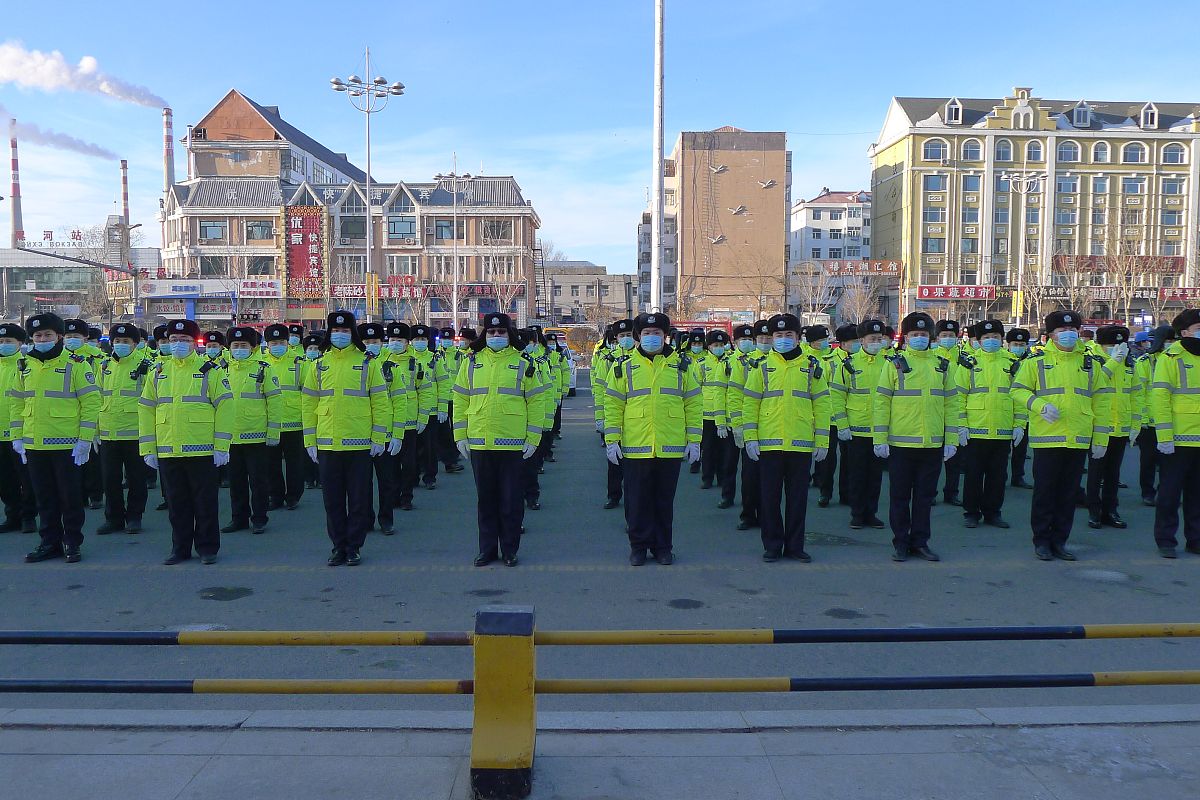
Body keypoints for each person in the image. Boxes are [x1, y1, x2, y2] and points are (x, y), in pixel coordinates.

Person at [1011, 310, 1113, 561]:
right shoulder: (1035, 362)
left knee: (1068, 495)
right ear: (1050, 336)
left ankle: (1060, 541)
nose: (1068, 335)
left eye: (1072, 330)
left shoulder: (1089, 364)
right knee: (1045, 493)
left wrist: (1101, 439)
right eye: (1062, 331)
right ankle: (1042, 541)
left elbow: (1102, 403)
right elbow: (1017, 391)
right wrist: (1039, 405)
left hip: (1078, 437)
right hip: (1048, 438)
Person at [604, 313, 702, 566]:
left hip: (669, 446)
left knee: (663, 501)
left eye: (657, 333)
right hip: (636, 445)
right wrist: (612, 439)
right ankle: (638, 546)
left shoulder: (681, 365)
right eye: (646, 333)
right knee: (636, 501)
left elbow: (693, 403)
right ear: (638, 336)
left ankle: (662, 547)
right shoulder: (623, 367)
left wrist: (695, 439)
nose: (651, 338)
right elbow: (613, 404)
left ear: (665, 335)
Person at [453, 313, 546, 567]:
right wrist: (460, 434)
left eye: (501, 333)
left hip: (513, 443)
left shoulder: (523, 362)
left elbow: (537, 401)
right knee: (486, 500)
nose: (496, 337)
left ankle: (509, 549)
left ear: (510, 335)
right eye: (492, 333)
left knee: (511, 501)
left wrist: (534, 437)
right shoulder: (471, 362)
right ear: (485, 334)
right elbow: (460, 399)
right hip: (480, 442)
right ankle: (487, 550)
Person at [139, 319, 234, 565]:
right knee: (176, 505)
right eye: (173, 340)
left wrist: (222, 446)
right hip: (169, 449)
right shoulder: (158, 372)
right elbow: (146, 409)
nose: (178, 344)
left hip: (202, 449)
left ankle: (207, 548)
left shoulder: (209, 370)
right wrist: (148, 448)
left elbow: (225, 407)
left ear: (195, 343)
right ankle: (179, 548)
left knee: (205, 503)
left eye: (184, 340)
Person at [302, 311, 391, 566]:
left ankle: (354, 546)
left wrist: (379, 436)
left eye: (345, 331)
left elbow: (380, 403)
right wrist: (310, 440)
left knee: (359, 500)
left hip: (359, 441)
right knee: (332, 501)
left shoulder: (367, 362)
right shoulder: (319, 364)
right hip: (328, 442)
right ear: (329, 334)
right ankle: (338, 546)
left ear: (353, 333)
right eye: (336, 331)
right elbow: (308, 404)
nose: (340, 335)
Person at [9, 313, 100, 564]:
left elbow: (91, 402)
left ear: (58, 336)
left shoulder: (76, 363)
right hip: (34, 443)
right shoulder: (24, 365)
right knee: (44, 497)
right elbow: (16, 403)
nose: (42, 339)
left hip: (67, 444)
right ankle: (49, 541)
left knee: (69, 497)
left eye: (47, 335)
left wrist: (85, 440)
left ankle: (71, 541)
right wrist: (18, 437)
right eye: (37, 335)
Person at [741, 313, 831, 562]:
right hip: (768, 444)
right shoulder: (761, 367)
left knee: (798, 500)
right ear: (771, 338)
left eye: (788, 335)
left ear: (798, 337)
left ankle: (795, 546)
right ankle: (772, 545)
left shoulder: (811, 366)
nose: (783, 339)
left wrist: (822, 440)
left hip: (800, 444)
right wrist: (750, 437)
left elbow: (822, 404)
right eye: (778, 336)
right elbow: (750, 404)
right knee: (769, 499)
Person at [873, 312, 960, 562]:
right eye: (914, 334)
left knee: (924, 498)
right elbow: (881, 402)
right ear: (906, 337)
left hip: (931, 443)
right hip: (900, 443)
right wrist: (879, 438)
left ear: (930, 337)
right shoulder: (894, 364)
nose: (919, 338)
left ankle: (920, 542)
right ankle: (901, 542)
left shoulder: (942, 365)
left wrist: (951, 440)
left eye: (923, 334)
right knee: (899, 498)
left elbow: (952, 404)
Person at [955, 319, 1021, 529]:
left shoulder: (1012, 363)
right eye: (986, 338)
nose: (991, 341)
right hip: (975, 430)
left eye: (995, 337)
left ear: (1002, 339)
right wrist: (961, 424)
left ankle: (993, 513)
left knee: (998, 476)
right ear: (979, 340)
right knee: (973, 475)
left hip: (1002, 429)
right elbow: (958, 396)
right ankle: (971, 513)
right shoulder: (969, 363)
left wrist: (1020, 423)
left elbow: (1020, 395)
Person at [220, 327, 282, 536]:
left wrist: (273, 433)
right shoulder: (221, 369)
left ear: (253, 347)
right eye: (235, 346)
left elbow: (274, 402)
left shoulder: (264, 369)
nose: (238, 349)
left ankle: (259, 518)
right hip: (230, 438)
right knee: (236, 482)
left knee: (258, 482)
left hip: (256, 436)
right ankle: (239, 518)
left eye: (243, 346)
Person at [1151, 308, 1200, 558]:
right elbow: (1159, 398)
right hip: (1178, 440)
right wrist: (1164, 436)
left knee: (1197, 495)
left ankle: (1195, 539)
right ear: (1184, 333)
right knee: (1170, 493)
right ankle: (1166, 540)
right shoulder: (1170, 358)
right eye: (1198, 328)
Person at [831, 319, 889, 530]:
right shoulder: (849, 364)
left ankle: (871, 513)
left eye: (879, 339)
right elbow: (836, 396)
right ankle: (857, 513)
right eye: (872, 339)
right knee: (857, 474)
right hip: (856, 430)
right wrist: (842, 424)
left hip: (880, 431)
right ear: (861, 340)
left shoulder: (890, 363)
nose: (876, 342)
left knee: (876, 476)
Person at [96, 323, 151, 535]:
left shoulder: (146, 366)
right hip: (108, 432)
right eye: (117, 341)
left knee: (137, 479)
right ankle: (114, 518)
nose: (120, 345)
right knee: (110, 479)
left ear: (135, 344)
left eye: (125, 341)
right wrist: (95, 431)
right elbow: (97, 397)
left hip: (135, 433)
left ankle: (134, 517)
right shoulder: (104, 366)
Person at [359, 322, 408, 535]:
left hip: (386, 434)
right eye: (367, 341)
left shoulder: (391, 367)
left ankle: (386, 518)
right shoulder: (356, 365)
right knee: (362, 483)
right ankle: (366, 519)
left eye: (375, 342)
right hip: (359, 435)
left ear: (382, 343)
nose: (371, 345)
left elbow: (400, 402)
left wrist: (398, 435)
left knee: (387, 481)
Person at [1087, 325, 1136, 531]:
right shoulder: (1092, 360)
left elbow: (1136, 394)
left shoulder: (1129, 362)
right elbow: (1096, 382)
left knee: (1113, 473)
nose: (1117, 348)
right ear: (1101, 344)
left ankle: (1110, 510)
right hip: (1099, 425)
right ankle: (1094, 511)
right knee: (1096, 471)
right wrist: (1114, 360)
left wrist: (1136, 423)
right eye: (1111, 345)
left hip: (1121, 425)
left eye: (1120, 344)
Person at [384, 322, 435, 511]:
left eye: (400, 340)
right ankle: (392, 496)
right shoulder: (381, 361)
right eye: (392, 339)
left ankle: (406, 497)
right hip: (388, 422)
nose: (395, 343)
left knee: (408, 463)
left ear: (407, 343)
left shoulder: (416, 364)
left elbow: (425, 392)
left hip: (409, 422)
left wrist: (423, 417)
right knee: (390, 464)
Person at [725, 323, 763, 530]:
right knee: (748, 474)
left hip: (770, 427)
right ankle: (748, 514)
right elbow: (734, 395)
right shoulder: (739, 363)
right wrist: (738, 425)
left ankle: (766, 514)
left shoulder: (764, 361)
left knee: (768, 478)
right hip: (746, 425)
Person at [63, 318, 104, 510]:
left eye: (76, 336)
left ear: (85, 337)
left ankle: (95, 494)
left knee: (92, 460)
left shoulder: (96, 358)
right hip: (66, 418)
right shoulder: (59, 357)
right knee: (72, 462)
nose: (71, 340)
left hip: (92, 414)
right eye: (68, 336)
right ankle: (79, 496)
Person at [0, 322, 37, 534]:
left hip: (21, 432)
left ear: (20, 343)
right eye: (1, 341)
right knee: (5, 479)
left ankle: (28, 516)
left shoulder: (25, 365)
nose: (4, 345)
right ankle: (12, 514)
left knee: (26, 478)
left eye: (8, 342)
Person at [1135, 325, 1177, 505]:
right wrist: (1142, 418)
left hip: (1171, 420)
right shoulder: (1145, 362)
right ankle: (1148, 492)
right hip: (1150, 422)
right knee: (1148, 461)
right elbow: (1139, 393)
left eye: (1173, 341)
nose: (1170, 344)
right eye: (1168, 341)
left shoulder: (1177, 360)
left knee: (1170, 462)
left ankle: (1165, 492)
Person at [595, 320, 634, 509]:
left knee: (635, 468)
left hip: (637, 420)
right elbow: (600, 389)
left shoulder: (642, 358)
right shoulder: (609, 360)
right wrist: (600, 418)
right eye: (622, 336)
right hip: (615, 416)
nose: (626, 339)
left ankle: (633, 502)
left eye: (629, 335)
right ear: (616, 338)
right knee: (614, 461)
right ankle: (614, 495)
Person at [695, 329, 734, 506]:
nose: (718, 348)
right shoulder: (702, 363)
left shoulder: (730, 361)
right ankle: (707, 477)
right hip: (707, 412)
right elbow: (696, 386)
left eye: (721, 345)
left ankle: (721, 477)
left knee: (725, 450)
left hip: (726, 413)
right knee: (709, 448)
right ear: (708, 346)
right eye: (715, 345)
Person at [410, 324, 451, 489]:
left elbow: (443, 383)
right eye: (416, 339)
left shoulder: (435, 358)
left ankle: (429, 477)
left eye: (423, 339)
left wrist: (443, 407)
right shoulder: (406, 358)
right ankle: (412, 476)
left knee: (429, 447)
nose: (420, 342)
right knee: (411, 448)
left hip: (431, 411)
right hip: (410, 411)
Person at [803, 324, 838, 506]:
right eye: (820, 341)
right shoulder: (803, 358)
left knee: (828, 458)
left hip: (829, 415)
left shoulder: (835, 358)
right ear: (811, 342)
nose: (824, 344)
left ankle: (825, 491)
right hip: (807, 415)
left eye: (826, 340)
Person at [934, 319, 966, 507]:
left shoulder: (965, 357)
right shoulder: (931, 357)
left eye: (951, 336)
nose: (947, 339)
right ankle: (931, 492)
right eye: (944, 335)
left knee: (954, 457)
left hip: (956, 411)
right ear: (937, 338)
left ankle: (951, 492)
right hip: (936, 410)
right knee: (934, 458)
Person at [1005, 328, 1034, 489]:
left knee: (1020, 448)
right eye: (1015, 344)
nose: (1018, 347)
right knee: (1002, 451)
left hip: (1024, 412)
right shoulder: (1004, 361)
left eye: (1022, 344)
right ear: (1008, 345)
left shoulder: (1031, 362)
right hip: (1004, 410)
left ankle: (1018, 476)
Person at [436, 326, 466, 473]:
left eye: (449, 339)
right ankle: (445, 458)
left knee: (456, 429)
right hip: (439, 399)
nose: (446, 341)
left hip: (456, 398)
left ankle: (453, 458)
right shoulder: (434, 355)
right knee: (442, 432)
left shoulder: (460, 356)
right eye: (443, 339)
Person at [300, 332, 325, 490]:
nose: (313, 351)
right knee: (307, 449)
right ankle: (309, 478)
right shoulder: (300, 365)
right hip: (304, 410)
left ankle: (321, 477)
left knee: (322, 450)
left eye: (316, 348)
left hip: (323, 411)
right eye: (310, 348)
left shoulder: (323, 364)